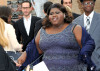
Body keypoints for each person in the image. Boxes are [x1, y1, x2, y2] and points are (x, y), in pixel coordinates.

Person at [18, 3, 95, 71]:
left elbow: (88, 43)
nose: (54, 15)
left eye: (57, 13)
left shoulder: (75, 28)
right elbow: (34, 47)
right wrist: (24, 54)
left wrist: (85, 54)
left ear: (64, 14)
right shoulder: (42, 30)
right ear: (48, 16)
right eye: (51, 14)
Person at [72, 0, 100, 70]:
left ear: (94, 4)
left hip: (97, 65)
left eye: (91, 3)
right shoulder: (75, 22)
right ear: (81, 5)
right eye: (86, 3)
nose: (88, 5)